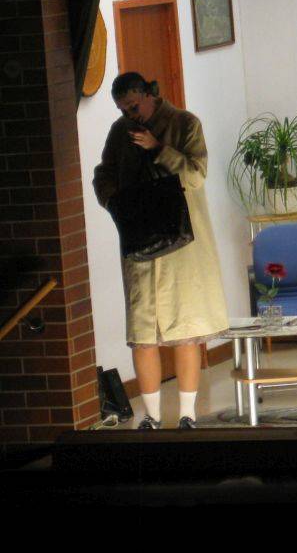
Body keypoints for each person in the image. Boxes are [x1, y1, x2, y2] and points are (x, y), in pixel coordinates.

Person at [93, 72, 229, 429]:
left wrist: (158, 148)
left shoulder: (185, 123)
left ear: (148, 95)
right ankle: (151, 416)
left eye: (133, 107)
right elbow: (103, 174)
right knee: (142, 335)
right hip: (140, 241)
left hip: (182, 242)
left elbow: (196, 175)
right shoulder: (119, 132)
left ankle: (187, 414)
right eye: (122, 110)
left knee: (185, 329)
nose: (129, 115)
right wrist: (113, 202)